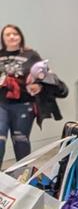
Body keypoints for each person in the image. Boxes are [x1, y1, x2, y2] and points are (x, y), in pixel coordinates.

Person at [0, 24, 43, 163]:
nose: (12, 36)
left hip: (24, 104)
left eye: (15, 33)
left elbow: (46, 77)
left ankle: (23, 176)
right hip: (2, 104)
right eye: (8, 34)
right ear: (3, 38)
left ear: (20, 36)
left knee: (20, 140)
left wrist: (38, 85)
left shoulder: (31, 55)